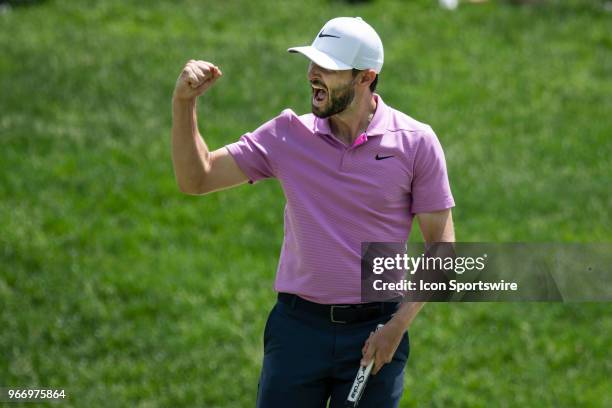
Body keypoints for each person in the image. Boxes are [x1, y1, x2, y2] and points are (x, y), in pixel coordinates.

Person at [171, 16, 455, 408]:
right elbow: (196, 179)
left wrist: (397, 327)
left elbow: (442, 247)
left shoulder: (415, 143)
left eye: (328, 68)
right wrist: (185, 104)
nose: (312, 75)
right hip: (297, 334)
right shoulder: (287, 135)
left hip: (376, 333)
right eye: (312, 64)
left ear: (365, 77)